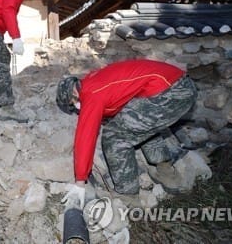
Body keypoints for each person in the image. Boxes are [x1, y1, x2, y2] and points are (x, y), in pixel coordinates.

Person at [56, 59, 197, 208]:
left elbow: (85, 137)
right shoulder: (93, 79)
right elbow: (120, 98)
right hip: (178, 85)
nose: (76, 107)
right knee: (137, 123)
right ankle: (165, 170)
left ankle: (128, 195)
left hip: (171, 93)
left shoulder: (91, 93)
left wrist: (80, 181)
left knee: (114, 136)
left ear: (73, 92)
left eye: (73, 104)